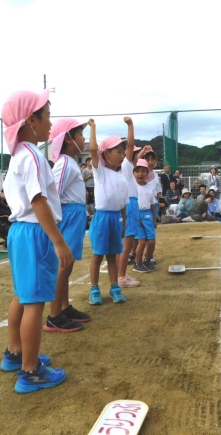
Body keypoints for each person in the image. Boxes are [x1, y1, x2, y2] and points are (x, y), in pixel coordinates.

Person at [0, 89, 69, 393]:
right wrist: (58, 241)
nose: (51, 124)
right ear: (31, 120)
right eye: (48, 116)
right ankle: (31, 371)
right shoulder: (33, 157)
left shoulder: (18, 157)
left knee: (22, 295)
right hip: (36, 232)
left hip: (19, 232)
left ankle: (16, 353)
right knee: (35, 302)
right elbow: (39, 201)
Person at [46, 118, 92, 332]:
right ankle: (54, 315)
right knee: (63, 265)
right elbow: (52, 194)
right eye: (80, 134)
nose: (83, 138)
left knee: (68, 265)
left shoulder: (71, 162)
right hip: (68, 215)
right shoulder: (64, 163)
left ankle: (63, 307)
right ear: (67, 139)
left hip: (75, 214)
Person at [87, 118, 129, 305]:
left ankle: (114, 287)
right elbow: (93, 150)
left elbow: (123, 205)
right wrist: (93, 128)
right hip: (102, 218)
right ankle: (94, 289)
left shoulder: (121, 177)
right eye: (118, 152)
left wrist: (124, 223)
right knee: (97, 255)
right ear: (107, 154)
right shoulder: (100, 171)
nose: (122, 155)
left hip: (116, 219)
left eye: (123, 152)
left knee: (112, 256)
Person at [117, 141, 146, 287]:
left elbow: (133, 159)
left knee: (125, 244)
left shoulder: (126, 168)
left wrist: (141, 152)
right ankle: (121, 276)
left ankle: (121, 273)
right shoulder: (126, 166)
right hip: (130, 204)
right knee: (126, 245)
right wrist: (130, 126)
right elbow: (130, 156)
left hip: (129, 204)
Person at [132, 159, 157, 272]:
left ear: (147, 173)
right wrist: (134, 217)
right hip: (136, 215)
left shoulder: (150, 187)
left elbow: (152, 204)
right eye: (137, 171)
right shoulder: (132, 187)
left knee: (151, 241)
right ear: (133, 173)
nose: (140, 174)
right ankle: (138, 263)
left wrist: (154, 219)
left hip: (147, 215)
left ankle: (148, 260)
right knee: (141, 241)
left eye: (143, 171)